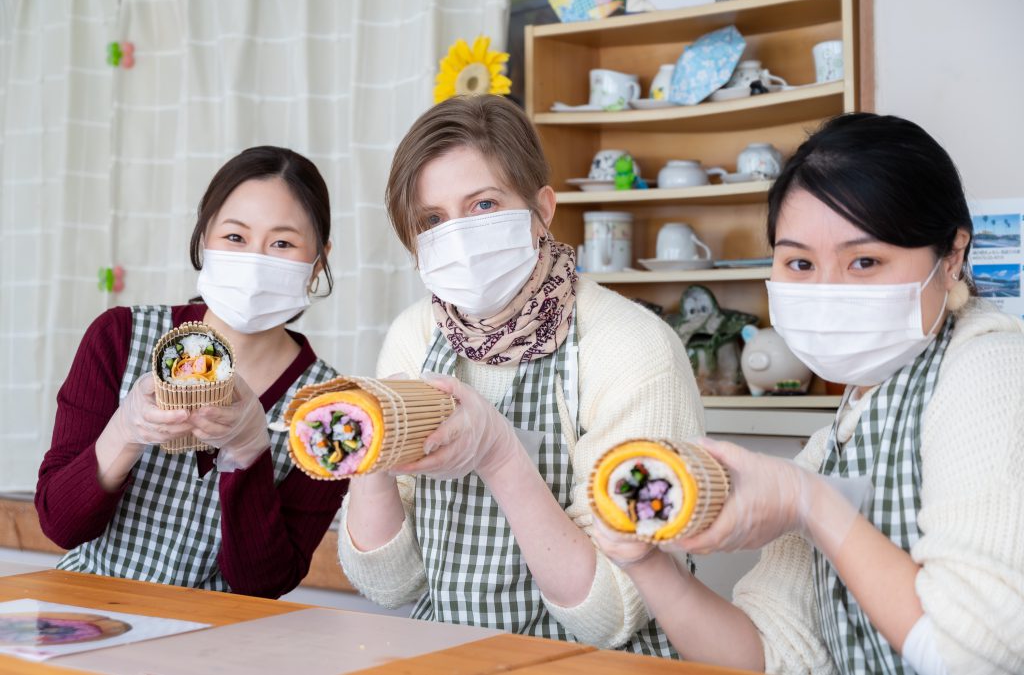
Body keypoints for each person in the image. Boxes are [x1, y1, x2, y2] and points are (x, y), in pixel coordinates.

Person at [593, 113, 1024, 674]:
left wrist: (809, 504)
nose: (826, 292)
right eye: (799, 262)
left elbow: (977, 655)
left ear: (951, 257)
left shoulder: (992, 370)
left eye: (864, 261)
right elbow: (768, 656)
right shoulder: (838, 438)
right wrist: (645, 562)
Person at [336, 95, 703, 655]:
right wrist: (371, 449)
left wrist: (500, 455)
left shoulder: (631, 347)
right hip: (451, 657)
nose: (456, 236)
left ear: (543, 209)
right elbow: (390, 584)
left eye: (483, 205)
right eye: (432, 220)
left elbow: (613, 614)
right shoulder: (416, 336)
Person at [36, 146, 349, 599]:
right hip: (89, 614)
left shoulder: (329, 407)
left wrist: (248, 454)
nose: (255, 261)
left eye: (282, 243)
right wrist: (125, 429)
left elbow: (265, 583)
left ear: (319, 260)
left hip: (217, 640)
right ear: (204, 237)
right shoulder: (119, 336)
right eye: (236, 238)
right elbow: (60, 525)